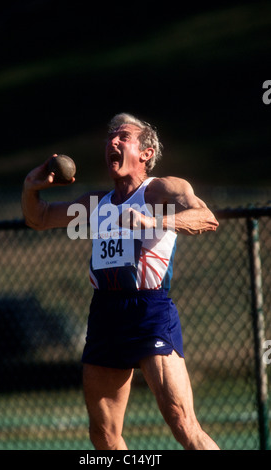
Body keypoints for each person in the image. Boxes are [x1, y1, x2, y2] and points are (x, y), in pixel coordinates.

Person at [22, 113, 220, 450]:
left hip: (149, 310)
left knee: (182, 421)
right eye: (109, 137)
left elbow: (206, 218)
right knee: (103, 434)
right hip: (105, 313)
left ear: (145, 152)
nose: (112, 141)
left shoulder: (162, 189)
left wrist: (151, 220)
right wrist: (31, 186)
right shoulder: (95, 204)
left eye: (122, 137)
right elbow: (38, 218)